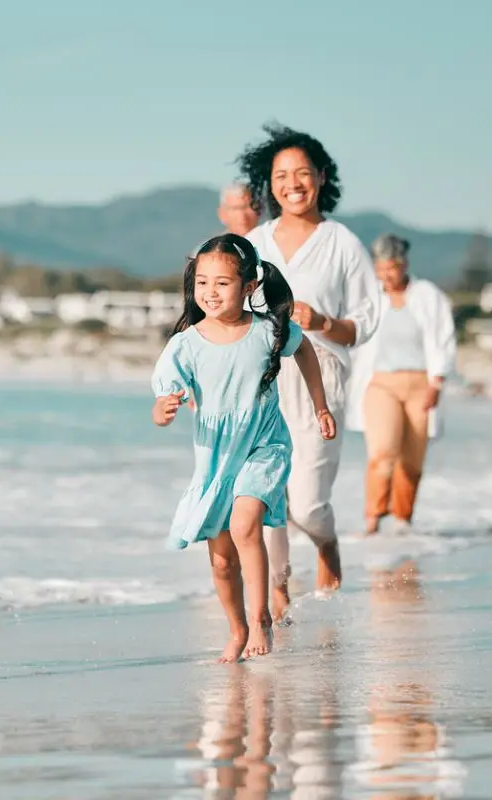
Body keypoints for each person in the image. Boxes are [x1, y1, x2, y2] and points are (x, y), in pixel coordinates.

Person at [151, 234, 336, 663]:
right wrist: (165, 410)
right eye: (202, 283)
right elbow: (160, 408)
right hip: (215, 456)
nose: (209, 293)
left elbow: (304, 348)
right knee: (220, 562)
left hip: (265, 444)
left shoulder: (268, 330)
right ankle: (236, 627)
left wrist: (320, 405)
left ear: (249, 286)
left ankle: (260, 619)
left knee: (246, 524)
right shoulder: (185, 344)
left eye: (222, 283)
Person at [237, 123, 381, 618]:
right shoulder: (254, 242)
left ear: (321, 178)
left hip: (321, 382)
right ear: (269, 183)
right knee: (266, 489)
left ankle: (325, 542)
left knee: (305, 503)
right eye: (281, 175)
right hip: (262, 384)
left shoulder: (341, 243)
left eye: (302, 173)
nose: (291, 183)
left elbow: (364, 323)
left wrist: (323, 322)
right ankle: (277, 589)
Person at [345, 234, 456, 535]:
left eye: (391, 268)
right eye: (380, 269)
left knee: (412, 457)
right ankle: (372, 518)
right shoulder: (369, 299)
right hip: (380, 383)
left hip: (421, 382)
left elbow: (443, 340)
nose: (385, 275)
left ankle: (403, 520)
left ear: (404, 264)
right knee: (383, 451)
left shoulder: (427, 295)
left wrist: (437, 382)